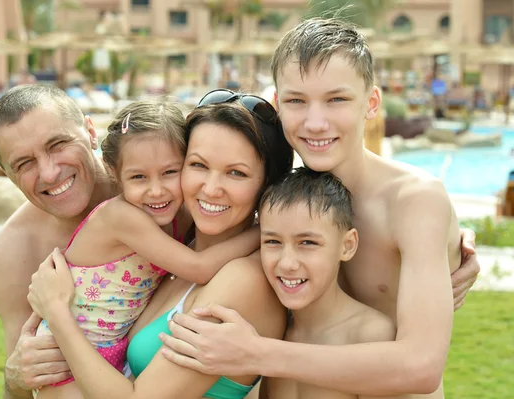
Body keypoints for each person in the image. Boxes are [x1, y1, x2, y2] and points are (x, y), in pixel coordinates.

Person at [158, 18, 479, 397]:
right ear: (278, 106)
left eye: (337, 99)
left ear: (371, 103)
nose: (315, 122)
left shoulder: (413, 202)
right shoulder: (281, 198)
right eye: (296, 101)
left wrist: (255, 354)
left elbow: (420, 367)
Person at [25, 94, 295, 399]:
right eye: (198, 165)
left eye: (237, 173)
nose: (210, 188)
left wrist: (57, 313)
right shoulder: (178, 248)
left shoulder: (244, 279)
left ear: (267, 185)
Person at [0, 84, 120, 399]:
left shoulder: (154, 194)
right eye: (24, 163)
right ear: (7, 175)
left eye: (58, 144)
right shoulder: (15, 251)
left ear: (90, 131)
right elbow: (21, 388)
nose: (49, 173)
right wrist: (16, 378)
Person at [257, 167, 409, 399]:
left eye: (307, 242)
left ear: (347, 245)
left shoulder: (369, 335)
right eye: (273, 241)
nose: (287, 263)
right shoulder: (271, 328)